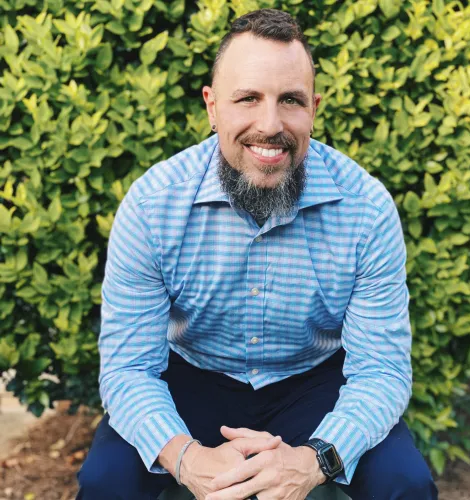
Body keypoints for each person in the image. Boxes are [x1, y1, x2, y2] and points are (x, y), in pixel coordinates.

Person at [77, 8, 438, 500]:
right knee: (104, 483)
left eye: (289, 100)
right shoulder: (152, 205)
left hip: (312, 380)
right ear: (212, 107)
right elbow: (127, 369)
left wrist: (315, 461)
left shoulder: (367, 209)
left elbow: (382, 372)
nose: (270, 125)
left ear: (313, 107)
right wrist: (188, 458)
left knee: (407, 483)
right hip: (194, 376)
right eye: (247, 98)